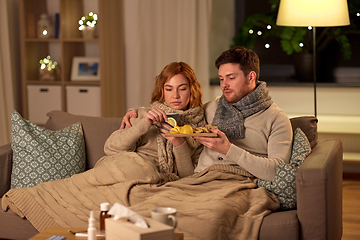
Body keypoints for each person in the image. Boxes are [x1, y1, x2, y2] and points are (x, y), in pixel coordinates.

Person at [121, 46, 293, 181]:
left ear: (251, 77)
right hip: (198, 180)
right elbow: (179, 111)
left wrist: (228, 149)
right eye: (221, 78)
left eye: (231, 78)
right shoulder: (211, 108)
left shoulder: (276, 119)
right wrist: (137, 112)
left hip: (237, 182)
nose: (224, 84)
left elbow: (277, 172)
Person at [107, 61, 205, 180]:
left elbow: (188, 176)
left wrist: (179, 143)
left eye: (182, 89)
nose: (175, 95)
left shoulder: (199, 127)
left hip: (158, 181)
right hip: (128, 172)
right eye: (169, 89)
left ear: (192, 90)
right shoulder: (144, 115)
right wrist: (144, 124)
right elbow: (111, 149)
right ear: (162, 91)